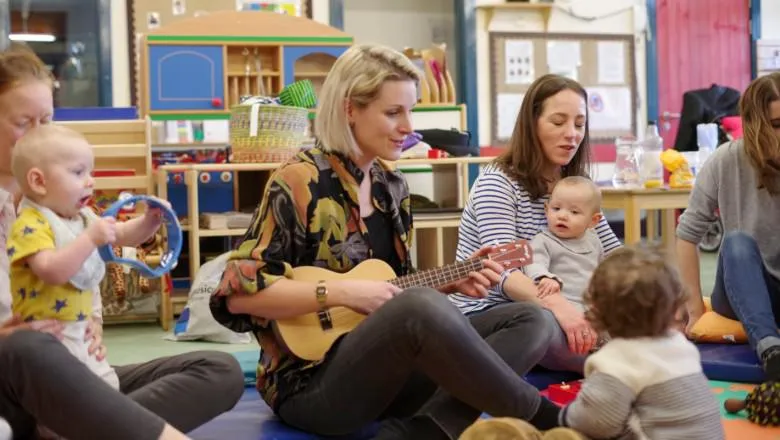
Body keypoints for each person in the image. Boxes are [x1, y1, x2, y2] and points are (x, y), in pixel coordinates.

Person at [210, 43, 563, 440]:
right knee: (422, 307)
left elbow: (395, 296)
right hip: (310, 387)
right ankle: (550, 420)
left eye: (410, 111)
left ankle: (421, 431)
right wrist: (342, 293)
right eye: (394, 112)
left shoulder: (391, 186)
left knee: (533, 319)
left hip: (386, 380)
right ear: (350, 110)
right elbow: (237, 296)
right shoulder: (298, 180)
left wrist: (445, 283)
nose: (409, 126)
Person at [0, 45, 244, 440]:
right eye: (24, 122)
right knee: (27, 349)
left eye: (47, 119)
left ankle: (87, 429)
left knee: (220, 370)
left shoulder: (66, 208)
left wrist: (93, 322)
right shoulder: (33, 218)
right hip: (16, 379)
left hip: (75, 372)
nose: (41, 133)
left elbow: (113, 238)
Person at [450, 74, 621, 374]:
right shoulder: (497, 183)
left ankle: (613, 355)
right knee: (538, 322)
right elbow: (504, 271)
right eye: (558, 122)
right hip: (495, 313)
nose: (572, 134)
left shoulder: (574, 188)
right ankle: (616, 360)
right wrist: (562, 309)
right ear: (532, 124)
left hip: (568, 308)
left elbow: (614, 255)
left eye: (579, 124)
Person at [462, 246, 724, 440]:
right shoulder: (681, 347)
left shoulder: (617, 360)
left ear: (596, 311)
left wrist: (562, 417)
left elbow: (597, 422)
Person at [9, 124, 172, 393]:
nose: (90, 181)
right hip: (47, 341)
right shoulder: (31, 223)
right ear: (39, 182)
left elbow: (121, 234)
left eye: (90, 172)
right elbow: (51, 270)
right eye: (78, 172)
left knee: (107, 386)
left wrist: (149, 220)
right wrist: (89, 240)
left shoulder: (82, 218)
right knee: (59, 397)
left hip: (82, 333)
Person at [678, 72, 780, 382]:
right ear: (754, 125)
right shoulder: (725, 160)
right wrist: (695, 307)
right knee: (736, 242)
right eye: (776, 125)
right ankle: (770, 350)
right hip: (738, 288)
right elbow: (687, 235)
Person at [523, 176, 604, 308]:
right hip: (562, 302)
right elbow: (534, 263)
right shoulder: (543, 240)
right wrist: (545, 277)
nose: (562, 216)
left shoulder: (594, 240)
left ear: (593, 221)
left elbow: (601, 270)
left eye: (574, 212)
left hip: (591, 304)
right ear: (546, 209)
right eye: (556, 208)